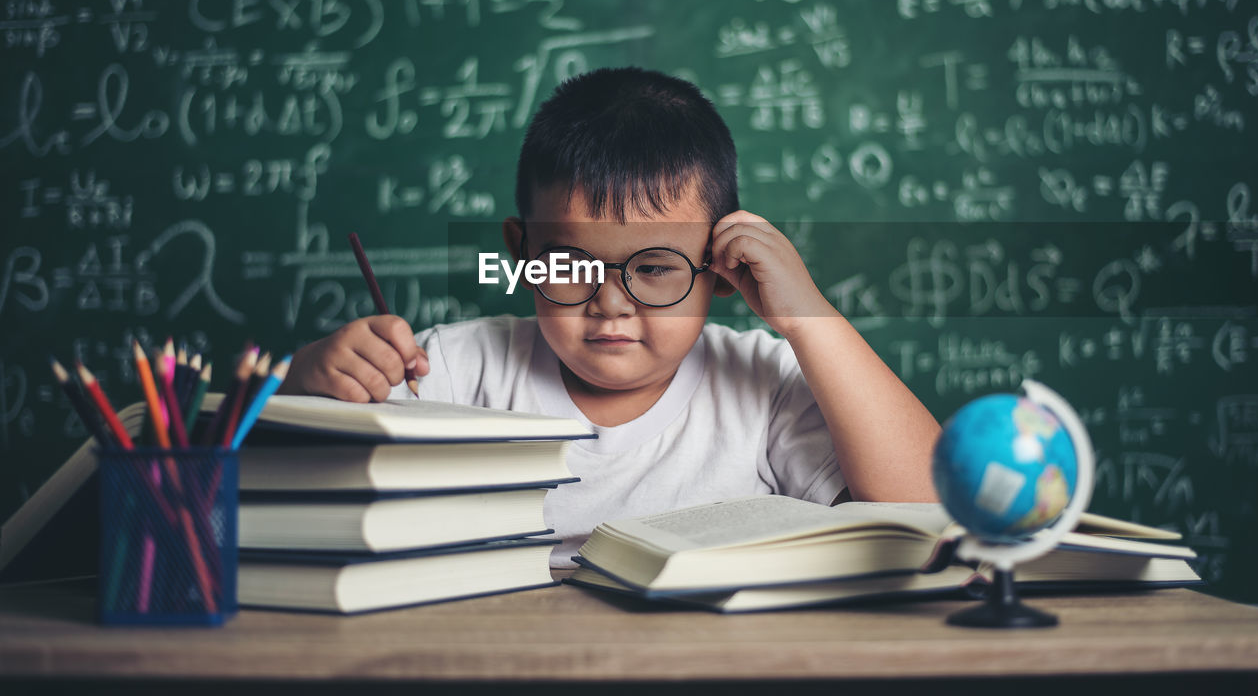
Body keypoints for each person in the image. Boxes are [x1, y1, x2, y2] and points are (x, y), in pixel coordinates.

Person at [282, 67, 940, 565]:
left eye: (654, 269)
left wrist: (810, 319)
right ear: (523, 255)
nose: (611, 303)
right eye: (571, 266)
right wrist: (309, 380)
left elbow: (928, 506)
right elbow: (295, 484)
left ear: (721, 268)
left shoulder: (764, 383)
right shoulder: (451, 370)